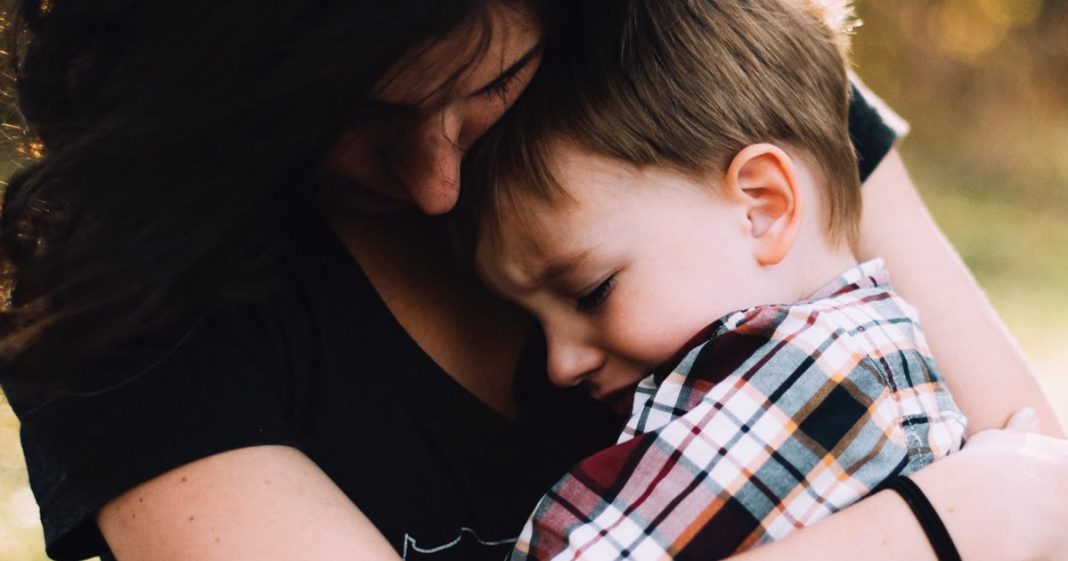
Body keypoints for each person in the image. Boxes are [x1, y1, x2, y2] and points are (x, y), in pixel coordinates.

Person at [0, 1, 1064, 561]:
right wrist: (945, 526)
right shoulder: (117, 282)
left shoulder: (716, 93)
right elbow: (1024, 494)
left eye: (490, 84)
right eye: (351, 117)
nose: (433, 185)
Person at [459, 0, 966, 558]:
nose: (560, 364)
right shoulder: (866, 353)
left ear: (762, 207)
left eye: (591, 292)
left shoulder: (815, 373)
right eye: (534, 320)